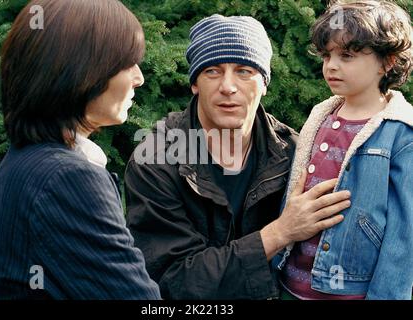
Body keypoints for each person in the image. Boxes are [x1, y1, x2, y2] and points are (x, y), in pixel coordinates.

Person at [125, 14, 351, 300]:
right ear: (195, 83)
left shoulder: (296, 152)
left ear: (264, 83)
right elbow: (174, 281)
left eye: (244, 71)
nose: (228, 87)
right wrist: (280, 232)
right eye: (213, 71)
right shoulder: (156, 160)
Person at [0, 0, 161, 300]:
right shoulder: (67, 178)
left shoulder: (27, 158)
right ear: (81, 70)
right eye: (127, 63)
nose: (139, 78)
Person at [274, 0, 413, 300]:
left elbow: (404, 237)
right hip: (290, 284)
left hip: (349, 291)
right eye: (327, 55)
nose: (331, 66)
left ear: (387, 62)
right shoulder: (320, 116)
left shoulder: (401, 132)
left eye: (347, 55)